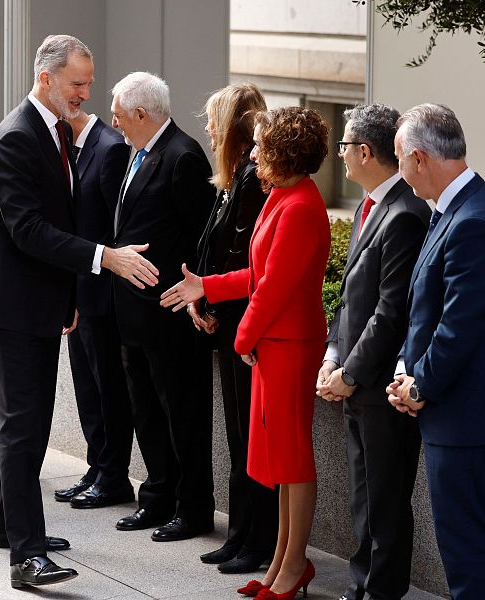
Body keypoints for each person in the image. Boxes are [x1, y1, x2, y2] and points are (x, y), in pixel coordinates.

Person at [0, 35, 159, 589]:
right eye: (77, 83)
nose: (85, 94)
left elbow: (59, 219)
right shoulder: (17, 138)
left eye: (89, 83)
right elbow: (28, 230)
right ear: (46, 78)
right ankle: (26, 555)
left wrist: (69, 296)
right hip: (11, 307)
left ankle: (9, 525)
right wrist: (105, 259)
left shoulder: (53, 133)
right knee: (25, 428)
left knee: (23, 426)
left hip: (35, 303)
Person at [161, 106, 331, 599]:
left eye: (260, 146)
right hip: (275, 343)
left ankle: (293, 562)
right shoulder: (283, 196)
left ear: (282, 151)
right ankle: (283, 559)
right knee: (280, 462)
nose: (253, 154)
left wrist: (241, 340)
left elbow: (273, 288)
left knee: (292, 461)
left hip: (288, 345)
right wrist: (206, 285)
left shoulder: (298, 205)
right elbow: (259, 276)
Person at [385, 104, 485, 600]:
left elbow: (459, 326)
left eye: (400, 159)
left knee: (463, 539)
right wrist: (408, 372)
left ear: (421, 158)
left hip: (468, 407)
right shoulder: (455, 208)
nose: (400, 171)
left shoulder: (476, 219)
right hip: (452, 400)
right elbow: (422, 306)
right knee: (457, 534)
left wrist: (421, 384)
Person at [315, 103, 429, 600]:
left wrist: (351, 372)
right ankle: (360, 586)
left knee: (384, 500)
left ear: (365, 151)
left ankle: (381, 592)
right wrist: (332, 354)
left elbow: (390, 311)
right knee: (363, 495)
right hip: (356, 378)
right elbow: (349, 299)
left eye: (344, 146)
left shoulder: (405, 212)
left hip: (382, 386)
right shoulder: (369, 206)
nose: (339, 156)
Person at [109, 71, 216, 543]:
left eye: (118, 116)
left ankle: (192, 509)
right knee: (146, 412)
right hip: (134, 313)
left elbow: (200, 236)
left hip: (169, 313)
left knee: (182, 416)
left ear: (140, 113)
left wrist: (195, 292)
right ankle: (158, 497)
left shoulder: (182, 156)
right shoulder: (139, 153)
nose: (115, 124)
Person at [191, 83, 278, 575]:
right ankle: (241, 533)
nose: (206, 128)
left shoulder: (251, 179)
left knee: (251, 439)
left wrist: (213, 303)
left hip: (246, 327)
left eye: (212, 119)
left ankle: (256, 539)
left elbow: (246, 262)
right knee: (239, 436)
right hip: (228, 321)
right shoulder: (235, 178)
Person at [53, 108, 135, 509]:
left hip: (100, 295)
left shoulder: (110, 147)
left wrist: (90, 292)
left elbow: (112, 229)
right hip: (77, 291)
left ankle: (113, 476)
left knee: (108, 392)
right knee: (87, 390)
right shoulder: (73, 147)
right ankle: (96, 467)